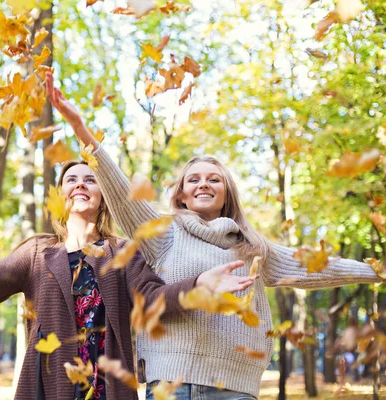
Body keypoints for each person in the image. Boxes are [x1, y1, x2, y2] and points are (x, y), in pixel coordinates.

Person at [45, 73, 383, 399]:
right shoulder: (163, 232)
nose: (203, 183)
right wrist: (80, 129)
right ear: (181, 195)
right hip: (175, 386)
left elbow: (315, 266)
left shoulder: (251, 246)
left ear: (226, 193)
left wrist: (376, 271)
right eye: (193, 179)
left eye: (213, 179)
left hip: (236, 388)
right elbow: (119, 191)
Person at [0, 161, 254, 400]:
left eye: (91, 178)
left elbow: (154, 297)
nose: (81, 184)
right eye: (71, 179)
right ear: (60, 194)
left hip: (109, 386)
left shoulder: (123, 250)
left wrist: (200, 286)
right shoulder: (38, 251)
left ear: (104, 194)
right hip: (51, 384)